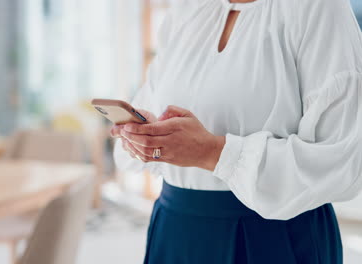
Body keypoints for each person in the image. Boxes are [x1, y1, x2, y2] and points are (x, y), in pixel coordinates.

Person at [111, 0, 362, 263]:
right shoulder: (187, 8)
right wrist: (149, 137)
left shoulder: (316, 7)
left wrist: (214, 153)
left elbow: (343, 157)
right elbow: (152, 102)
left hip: (274, 236)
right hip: (175, 228)